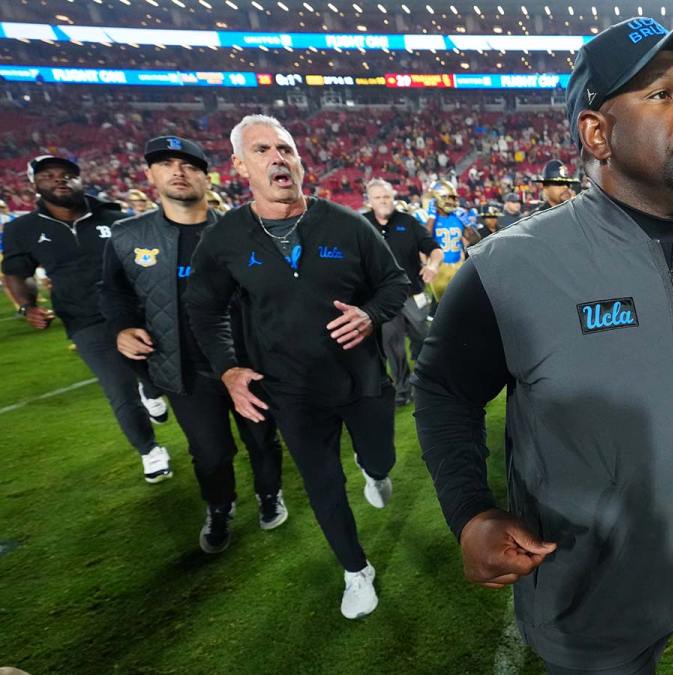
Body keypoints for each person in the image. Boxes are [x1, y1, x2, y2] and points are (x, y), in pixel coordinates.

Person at [413, 13, 673, 673]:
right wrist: (469, 512)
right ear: (598, 133)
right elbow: (442, 387)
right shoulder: (511, 266)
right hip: (584, 603)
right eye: (662, 94)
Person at [185, 114, 411, 619]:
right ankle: (356, 571)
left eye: (285, 148)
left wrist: (371, 316)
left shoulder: (347, 224)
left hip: (362, 379)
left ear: (300, 161)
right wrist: (228, 369)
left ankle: (373, 470)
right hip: (291, 389)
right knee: (322, 485)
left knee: (382, 460)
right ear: (240, 165)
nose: (278, 158)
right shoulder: (225, 240)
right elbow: (203, 307)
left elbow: (395, 283)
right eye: (262, 150)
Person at [99, 136, 288, 553]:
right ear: (151, 175)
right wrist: (122, 327)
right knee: (210, 452)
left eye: (188, 165)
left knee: (262, 440)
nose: (178, 172)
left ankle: (270, 494)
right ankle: (219, 508)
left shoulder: (247, 231)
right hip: (182, 367)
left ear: (207, 176)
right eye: (166, 164)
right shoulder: (128, 236)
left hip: (248, 363)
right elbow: (114, 293)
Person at [2, 155, 171, 482]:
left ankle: (151, 391)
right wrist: (27, 306)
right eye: (49, 176)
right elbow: (16, 273)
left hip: (135, 311)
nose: (59, 180)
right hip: (84, 319)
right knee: (117, 387)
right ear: (35, 185)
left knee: (159, 372)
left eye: (67, 175)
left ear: (81, 180)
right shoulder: (21, 229)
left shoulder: (114, 215)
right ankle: (150, 450)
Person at [364, 177, 442, 407]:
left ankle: (432, 380)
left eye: (386, 196)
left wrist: (432, 265)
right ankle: (402, 388)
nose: (383, 201)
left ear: (393, 197)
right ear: (369, 201)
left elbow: (434, 249)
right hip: (382, 299)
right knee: (392, 345)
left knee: (426, 339)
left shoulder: (407, 222)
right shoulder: (361, 225)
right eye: (377, 197)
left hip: (412, 294)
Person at [426, 179, 472, 299]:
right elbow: (424, 239)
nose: (452, 201)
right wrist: (431, 218)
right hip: (438, 268)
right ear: (438, 198)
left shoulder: (458, 216)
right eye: (448, 197)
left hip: (458, 266)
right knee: (440, 306)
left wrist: (468, 224)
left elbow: (475, 240)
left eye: (453, 197)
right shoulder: (430, 219)